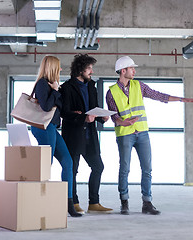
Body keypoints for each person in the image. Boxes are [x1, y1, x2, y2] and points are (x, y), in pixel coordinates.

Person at [106, 56, 193, 215]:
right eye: (131, 68)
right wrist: (123, 122)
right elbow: (114, 116)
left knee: (147, 169)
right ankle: (124, 201)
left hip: (142, 134)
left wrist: (181, 99)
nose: (134, 71)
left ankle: (147, 203)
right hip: (125, 135)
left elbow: (158, 95)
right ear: (123, 71)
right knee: (125, 168)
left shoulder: (139, 86)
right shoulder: (111, 92)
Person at [60, 54, 113, 214]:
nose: (91, 71)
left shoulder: (92, 86)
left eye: (91, 68)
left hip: (90, 134)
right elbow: (64, 113)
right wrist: (83, 117)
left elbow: (94, 107)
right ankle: (73, 202)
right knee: (73, 169)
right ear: (80, 69)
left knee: (98, 166)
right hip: (74, 135)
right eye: (89, 68)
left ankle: (94, 203)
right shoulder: (66, 88)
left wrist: (102, 116)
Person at [30, 55, 82, 217]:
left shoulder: (52, 85)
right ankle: (37, 201)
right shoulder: (42, 84)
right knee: (47, 164)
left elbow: (57, 107)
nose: (60, 69)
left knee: (68, 161)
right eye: (58, 67)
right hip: (43, 127)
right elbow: (46, 107)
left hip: (52, 127)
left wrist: (56, 90)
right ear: (52, 67)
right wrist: (54, 91)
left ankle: (68, 203)